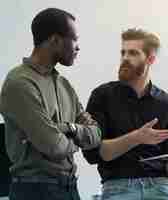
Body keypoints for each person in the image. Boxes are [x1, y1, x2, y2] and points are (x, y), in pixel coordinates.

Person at [0, 8, 102, 200]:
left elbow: (96, 134)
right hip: (35, 191)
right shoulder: (20, 83)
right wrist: (77, 137)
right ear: (55, 40)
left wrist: (67, 128)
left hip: (70, 190)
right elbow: (53, 146)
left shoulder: (65, 85)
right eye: (74, 39)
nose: (78, 47)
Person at [83, 28, 168, 200]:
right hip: (118, 188)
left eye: (133, 53)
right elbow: (94, 154)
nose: (125, 58)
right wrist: (137, 137)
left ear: (150, 59)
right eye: (123, 52)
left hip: (160, 187)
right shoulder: (102, 96)